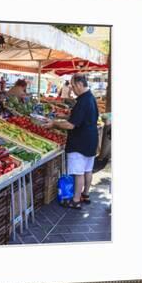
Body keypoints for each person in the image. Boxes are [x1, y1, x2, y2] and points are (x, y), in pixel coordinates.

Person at [44, 73, 99, 209]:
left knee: (78, 173)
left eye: (73, 86)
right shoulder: (91, 98)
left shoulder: (82, 100)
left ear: (80, 84)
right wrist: (65, 115)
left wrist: (54, 123)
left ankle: (75, 200)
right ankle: (85, 194)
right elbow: (82, 117)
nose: (72, 89)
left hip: (79, 142)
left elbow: (71, 125)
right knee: (88, 170)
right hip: (91, 139)